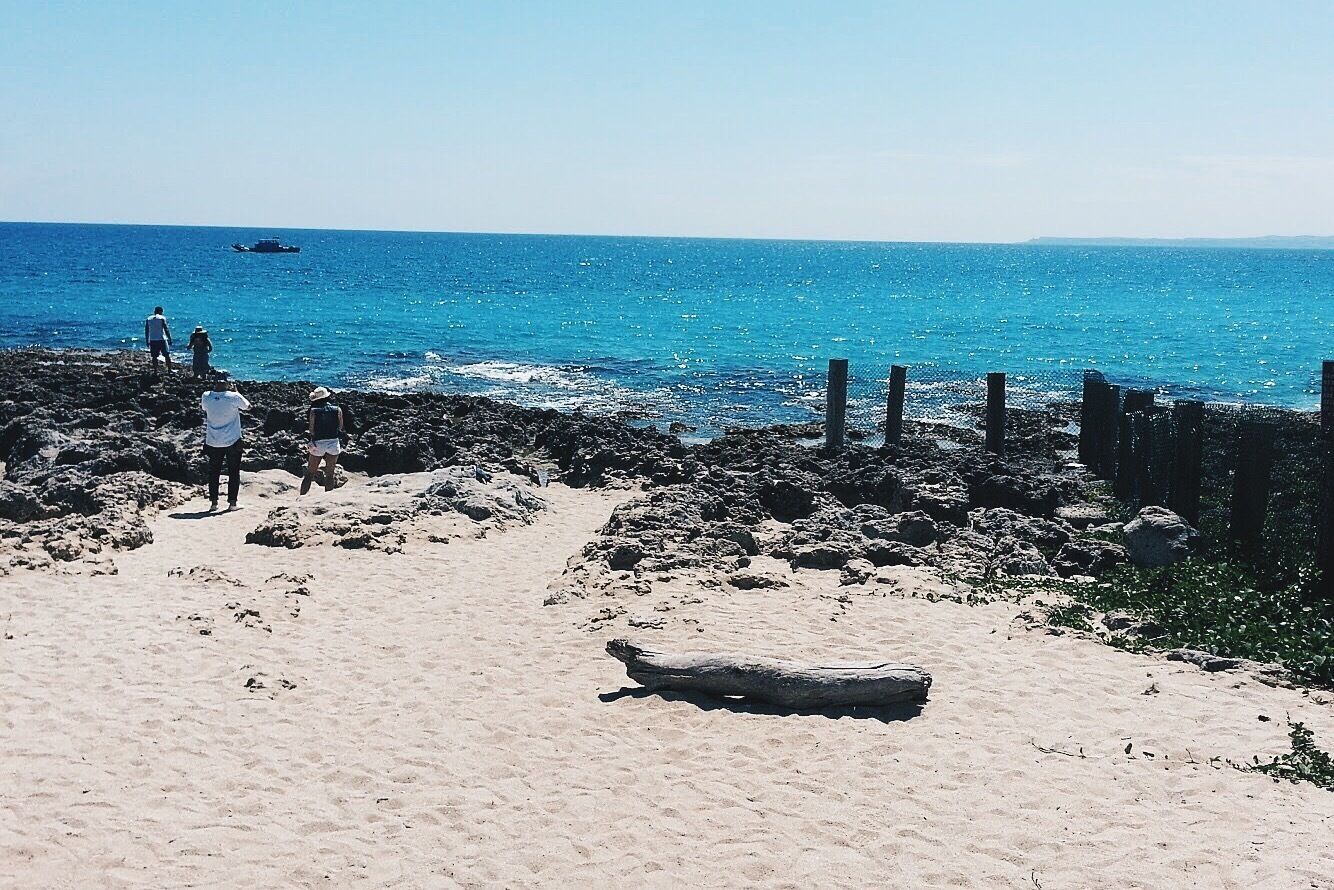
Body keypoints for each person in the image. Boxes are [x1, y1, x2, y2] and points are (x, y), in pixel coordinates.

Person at [200, 377, 250, 511]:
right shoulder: (233, 397)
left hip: (213, 441)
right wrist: (237, 392)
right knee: (233, 471)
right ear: (227, 384)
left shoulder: (206, 396)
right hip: (232, 441)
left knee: (213, 472)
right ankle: (232, 503)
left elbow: (204, 408)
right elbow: (248, 406)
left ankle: (214, 503)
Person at [302, 386, 344, 495]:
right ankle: (328, 497)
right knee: (330, 474)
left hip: (318, 443)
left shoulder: (314, 411)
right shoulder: (337, 409)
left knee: (310, 472)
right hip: (333, 442)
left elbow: (311, 430)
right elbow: (340, 427)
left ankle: (302, 497)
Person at [144, 306, 173, 374]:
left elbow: (146, 330)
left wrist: (147, 340)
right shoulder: (162, 318)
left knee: (154, 356)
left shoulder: (149, 319)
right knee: (167, 355)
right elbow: (166, 329)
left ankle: (155, 371)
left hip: (153, 339)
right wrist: (169, 338)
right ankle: (169, 370)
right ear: (161, 311)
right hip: (162, 339)